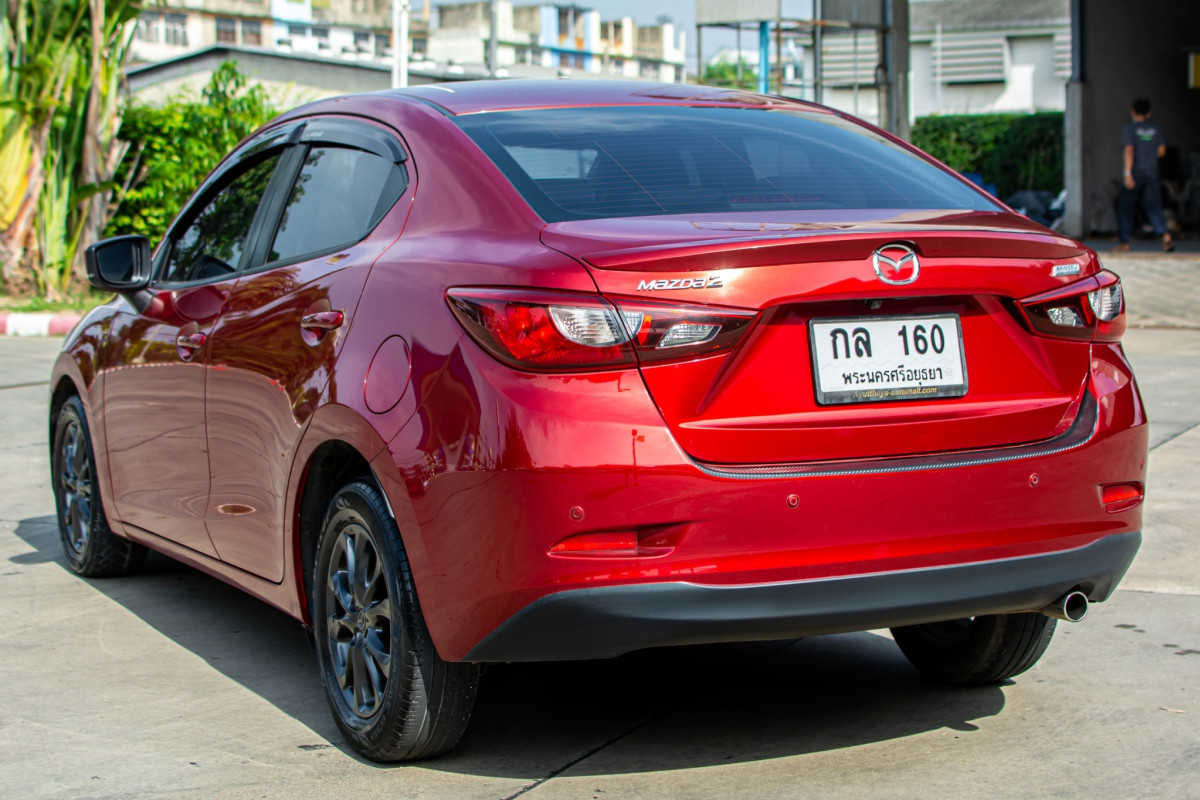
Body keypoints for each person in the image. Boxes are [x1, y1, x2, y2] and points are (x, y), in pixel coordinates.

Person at [1116, 98, 1173, 252]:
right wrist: (1149, 155)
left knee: (1126, 205)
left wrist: (1127, 173)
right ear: (1148, 113)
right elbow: (1162, 151)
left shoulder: (1130, 129)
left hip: (1136, 172)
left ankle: (1125, 242)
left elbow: (1129, 150)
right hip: (1152, 172)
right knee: (1153, 205)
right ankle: (1164, 234)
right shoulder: (1156, 130)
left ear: (1133, 112)